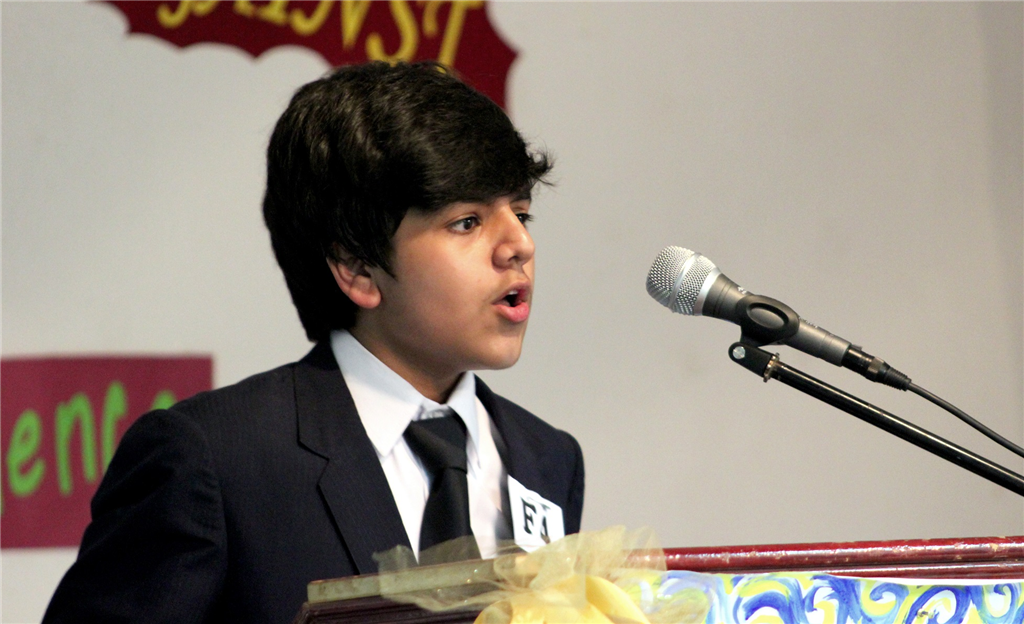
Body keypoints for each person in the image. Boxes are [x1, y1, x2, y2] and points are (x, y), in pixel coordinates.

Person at [42, 62, 584, 624]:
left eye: (522, 214)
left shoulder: (548, 458)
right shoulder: (213, 460)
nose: (519, 245)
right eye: (467, 221)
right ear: (357, 268)